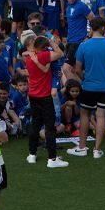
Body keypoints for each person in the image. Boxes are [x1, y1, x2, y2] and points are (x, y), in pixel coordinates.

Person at [72, 18, 105, 159]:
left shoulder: (84, 46)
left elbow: (77, 69)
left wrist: (85, 79)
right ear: (102, 28)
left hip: (89, 86)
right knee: (101, 115)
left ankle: (82, 147)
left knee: (85, 115)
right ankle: (97, 150)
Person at [25, 35, 68, 168]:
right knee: (50, 128)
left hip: (33, 95)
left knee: (35, 124)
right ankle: (52, 159)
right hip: (44, 96)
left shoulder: (28, 57)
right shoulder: (44, 56)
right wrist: (51, 41)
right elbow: (60, 54)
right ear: (44, 47)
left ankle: (32, 154)